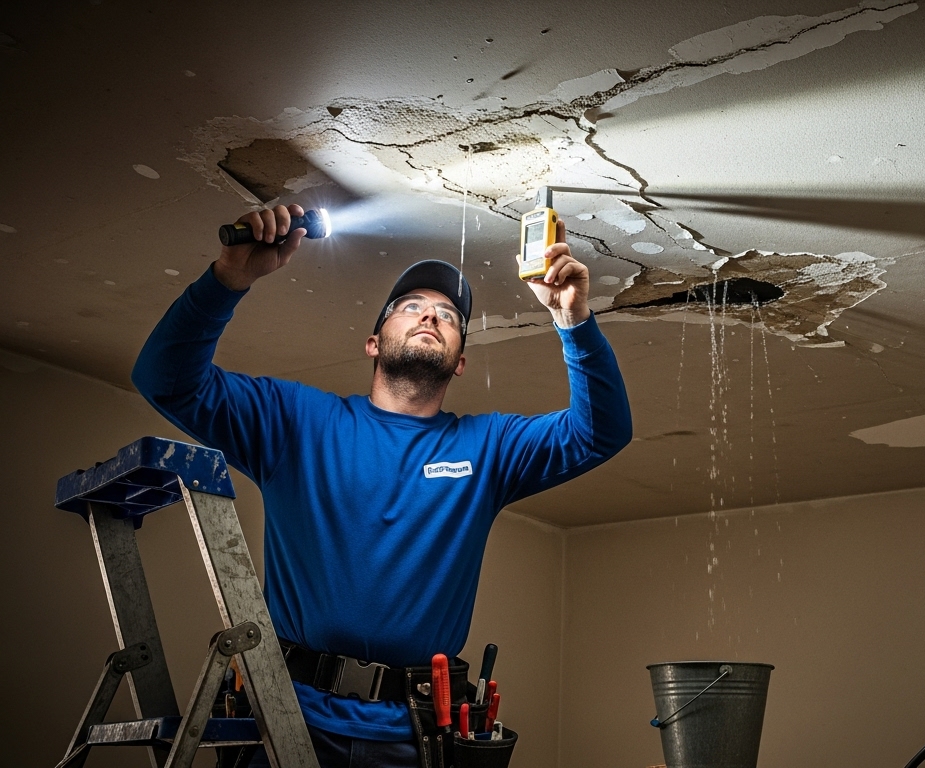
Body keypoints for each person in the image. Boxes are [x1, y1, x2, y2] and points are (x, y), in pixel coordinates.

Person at [132, 203, 632, 767]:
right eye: (410, 307)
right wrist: (230, 278)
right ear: (374, 342)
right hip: (283, 717)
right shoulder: (294, 421)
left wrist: (573, 319)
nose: (430, 317)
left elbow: (601, 434)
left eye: (448, 316)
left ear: (460, 361)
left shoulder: (489, 448)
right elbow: (163, 380)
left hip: (409, 739)